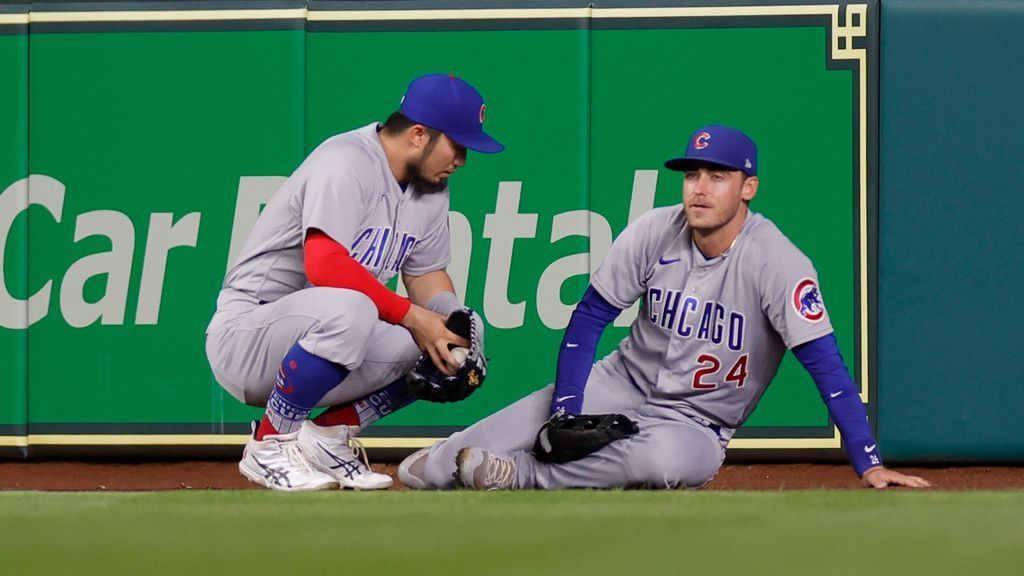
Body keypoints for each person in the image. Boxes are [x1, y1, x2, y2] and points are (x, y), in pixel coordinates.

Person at [397, 124, 930, 491]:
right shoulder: (655, 229)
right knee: (436, 469)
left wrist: (869, 462)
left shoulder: (779, 262)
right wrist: (565, 411)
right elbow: (588, 321)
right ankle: (463, 461)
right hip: (620, 382)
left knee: (664, 462)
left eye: (717, 176)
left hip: (696, 425)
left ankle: (518, 476)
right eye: (692, 174)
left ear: (748, 188)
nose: (699, 189)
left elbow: (827, 367)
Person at [204, 74, 503, 492]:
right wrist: (414, 317)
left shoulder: (431, 190)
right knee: (356, 308)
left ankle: (327, 437)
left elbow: (424, 274)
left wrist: (453, 324)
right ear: (419, 135)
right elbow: (324, 265)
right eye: (458, 146)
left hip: (328, 336)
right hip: (248, 335)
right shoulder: (346, 161)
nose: (463, 160)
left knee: (446, 337)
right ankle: (269, 444)